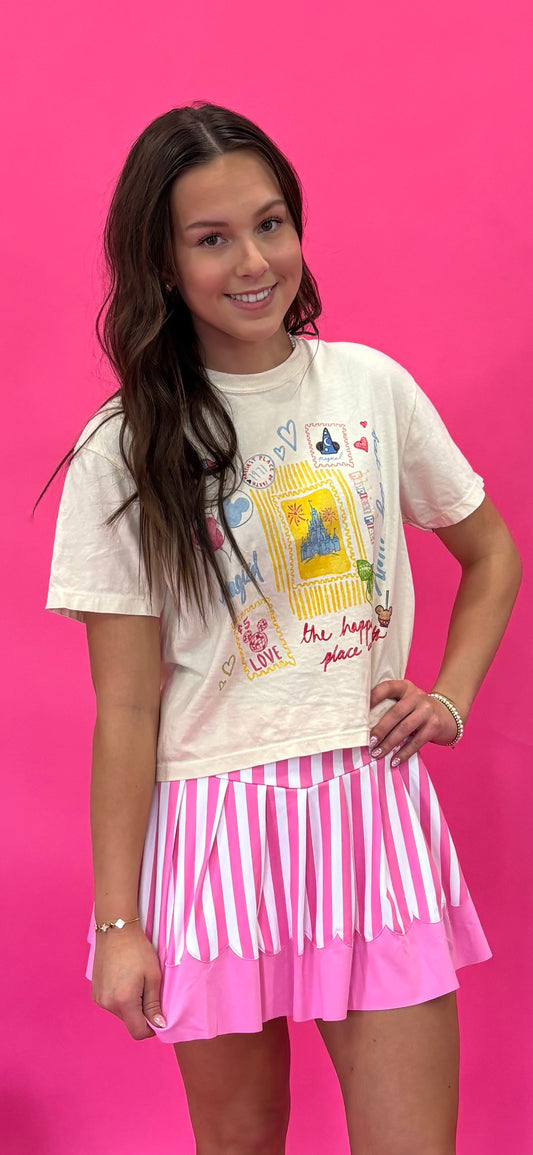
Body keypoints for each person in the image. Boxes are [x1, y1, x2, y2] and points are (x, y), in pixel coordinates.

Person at [43, 102, 521, 1155]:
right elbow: (126, 710)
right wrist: (119, 925)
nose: (253, 261)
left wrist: (448, 698)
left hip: (368, 804)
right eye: (211, 238)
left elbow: (491, 553)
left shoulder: (369, 386)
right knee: (242, 1142)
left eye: (270, 224)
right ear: (162, 264)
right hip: (211, 827)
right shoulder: (123, 446)